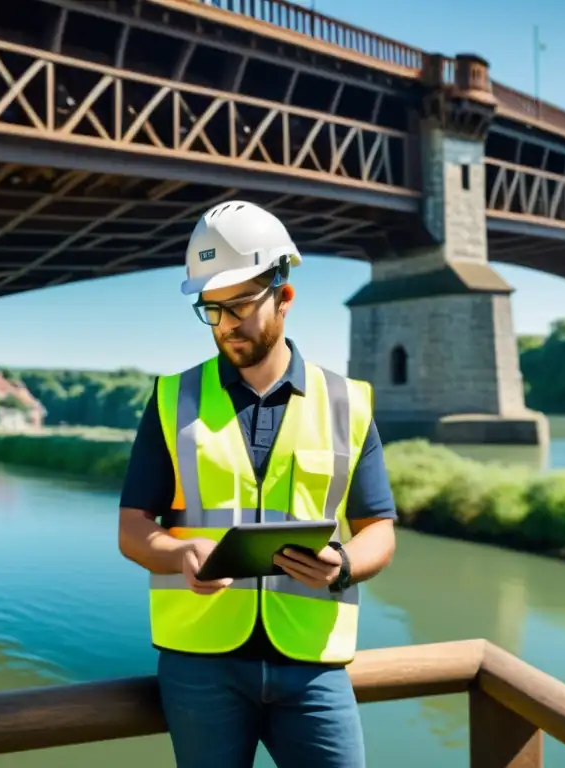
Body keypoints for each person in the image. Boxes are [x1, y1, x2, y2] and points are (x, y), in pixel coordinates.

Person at [117, 200, 398, 768]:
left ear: (285, 296)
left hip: (314, 662)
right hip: (200, 663)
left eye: (239, 305)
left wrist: (342, 564)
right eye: (211, 310)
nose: (225, 325)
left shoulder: (349, 402)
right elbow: (132, 529)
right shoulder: (171, 399)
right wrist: (178, 554)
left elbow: (379, 531)